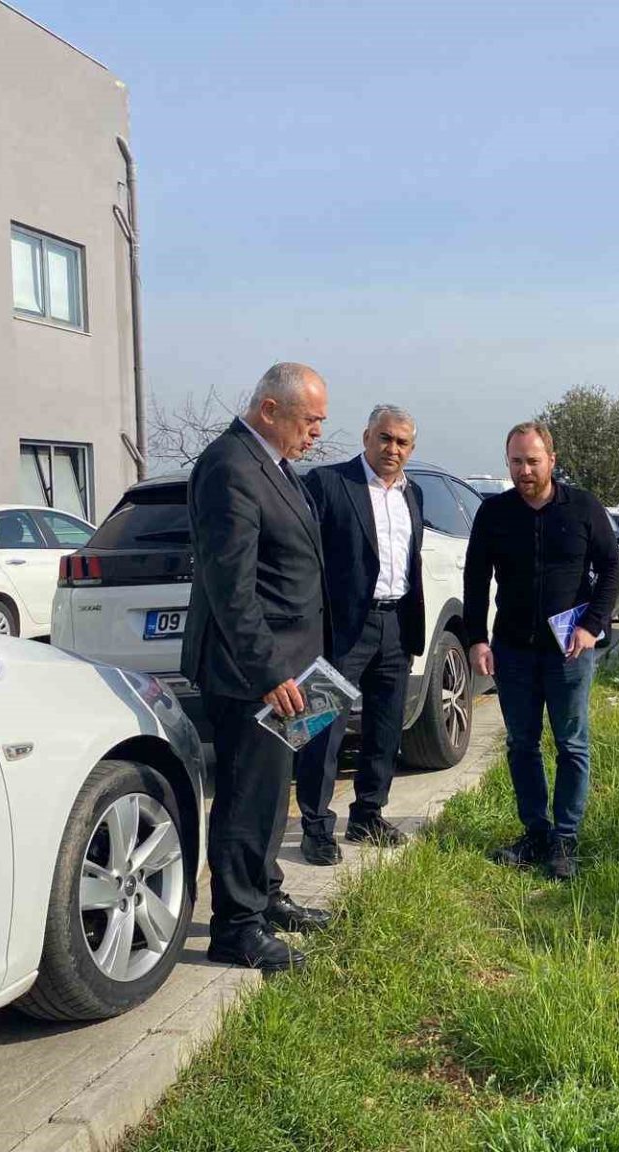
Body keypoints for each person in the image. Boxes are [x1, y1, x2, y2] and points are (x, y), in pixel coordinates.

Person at [181, 362, 334, 971]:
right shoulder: (231, 466)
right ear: (270, 409)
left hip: (295, 668)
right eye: (310, 420)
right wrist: (269, 670)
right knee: (248, 795)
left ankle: (264, 895)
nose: (317, 433)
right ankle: (237, 927)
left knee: (273, 792)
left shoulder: (275, 464)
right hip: (257, 674)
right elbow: (231, 587)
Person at [463, 421, 619, 880]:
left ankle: (565, 840)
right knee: (521, 744)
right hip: (513, 652)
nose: (525, 470)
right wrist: (477, 639)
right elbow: (475, 579)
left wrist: (592, 626)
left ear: (551, 460)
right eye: (516, 461)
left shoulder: (583, 507)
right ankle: (535, 833)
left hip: (569, 651)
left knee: (572, 744)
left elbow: (611, 569)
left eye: (533, 461)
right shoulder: (494, 513)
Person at [296, 405, 426, 863]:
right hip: (339, 628)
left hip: (395, 624)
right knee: (319, 730)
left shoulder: (413, 493)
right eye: (385, 438)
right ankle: (315, 827)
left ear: (411, 448)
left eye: (402, 442)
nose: (392, 449)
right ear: (367, 436)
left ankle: (368, 815)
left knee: (385, 729)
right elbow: (304, 557)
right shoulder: (329, 483)